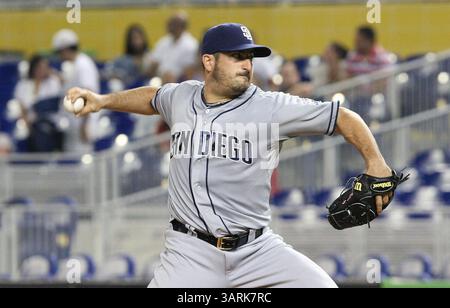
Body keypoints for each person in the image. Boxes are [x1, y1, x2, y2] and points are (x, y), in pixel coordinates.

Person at [66, 23, 395, 288]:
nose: (247, 65)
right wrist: (102, 100)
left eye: (250, 57)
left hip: (256, 250)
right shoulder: (182, 97)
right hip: (189, 252)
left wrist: (376, 162)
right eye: (236, 57)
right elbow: (152, 98)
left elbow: (344, 118)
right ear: (209, 62)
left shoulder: (271, 106)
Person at [52, 28, 100, 153]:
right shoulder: (73, 65)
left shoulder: (83, 65)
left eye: (60, 53)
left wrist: (84, 125)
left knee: (83, 163)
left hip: (83, 125)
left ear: (66, 50)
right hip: (73, 124)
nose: (60, 57)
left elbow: (88, 95)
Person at [145, 12, 198, 83]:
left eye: (174, 24)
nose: (170, 27)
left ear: (182, 26)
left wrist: (172, 78)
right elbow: (154, 64)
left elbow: (189, 70)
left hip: (180, 81)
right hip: (159, 79)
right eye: (170, 24)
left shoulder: (191, 44)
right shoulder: (163, 42)